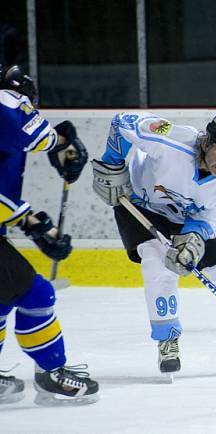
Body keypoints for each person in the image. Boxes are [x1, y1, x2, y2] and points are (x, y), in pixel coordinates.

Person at [91, 111, 216, 376]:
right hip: (144, 209)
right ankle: (168, 339)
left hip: (190, 220)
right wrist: (113, 164)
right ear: (206, 142)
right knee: (157, 266)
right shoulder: (171, 139)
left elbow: (209, 221)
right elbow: (123, 122)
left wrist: (192, 239)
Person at [0, 64, 98, 406]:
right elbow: (36, 133)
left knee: (1, 298)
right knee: (36, 295)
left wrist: (32, 224)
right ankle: (53, 375)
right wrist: (63, 141)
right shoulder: (5, 98)